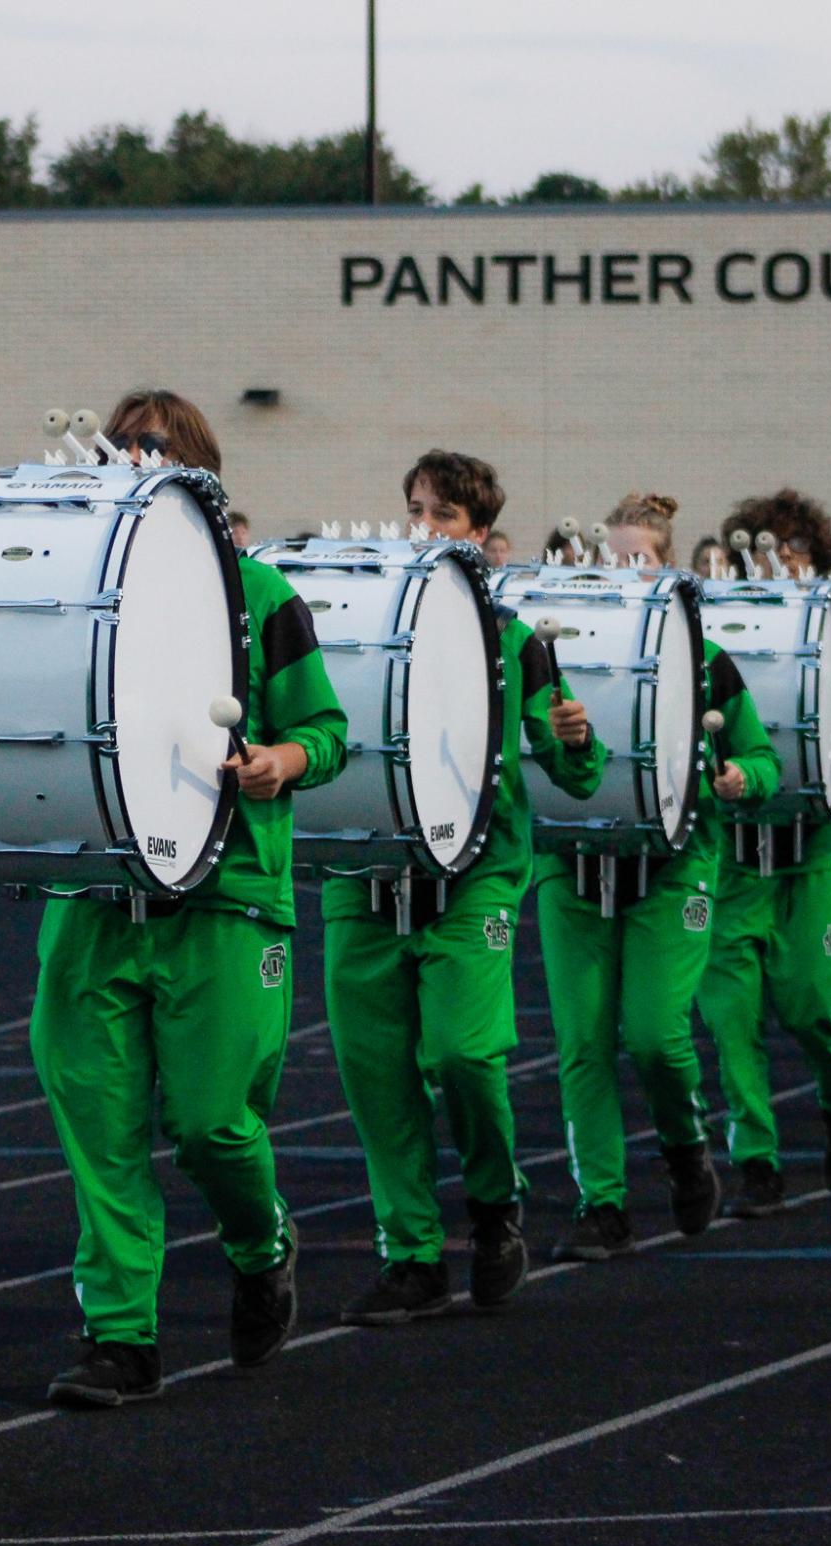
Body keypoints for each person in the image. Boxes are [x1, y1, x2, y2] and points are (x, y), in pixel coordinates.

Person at [31, 389, 346, 1407]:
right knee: (103, 1130)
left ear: (202, 477)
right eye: (120, 451)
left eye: (154, 452)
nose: (132, 464)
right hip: (93, 896)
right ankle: (121, 1336)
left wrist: (282, 759)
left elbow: (329, 731)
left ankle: (261, 1244)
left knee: (214, 1124)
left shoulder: (259, 591)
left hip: (226, 893)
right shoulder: (67, 591)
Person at [329, 450, 603, 1324]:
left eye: (444, 516)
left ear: (481, 536)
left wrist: (572, 736)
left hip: (474, 873)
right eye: (415, 510)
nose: (424, 529)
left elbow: (580, 775)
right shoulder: (361, 621)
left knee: (460, 1054)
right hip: (365, 875)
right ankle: (410, 1253)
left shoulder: (512, 639)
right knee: (376, 1076)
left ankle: (494, 1205)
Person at [539, 492, 778, 1261]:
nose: (622, 569)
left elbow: (766, 759)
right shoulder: (549, 648)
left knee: (653, 1034)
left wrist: (742, 773)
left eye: (639, 557)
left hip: (672, 866)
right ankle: (600, 1202)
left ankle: (684, 1146)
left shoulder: (704, 658)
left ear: (667, 564)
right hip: (571, 864)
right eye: (611, 556)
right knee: (581, 1042)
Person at [695, 491, 831, 1215]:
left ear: (817, 565)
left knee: (813, 1008)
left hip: (811, 856)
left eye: (790, 555)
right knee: (729, 1020)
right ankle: (756, 1158)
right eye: (759, 554)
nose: (772, 567)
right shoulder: (706, 640)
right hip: (734, 864)